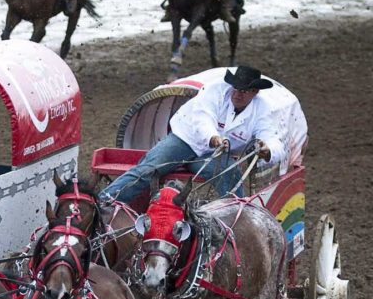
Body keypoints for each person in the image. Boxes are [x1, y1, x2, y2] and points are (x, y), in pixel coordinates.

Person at [99, 65, 285, 205]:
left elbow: (273, 139)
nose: (237, 94)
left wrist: (267, 150)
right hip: (185, 139)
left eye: (244, 91)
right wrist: (214, 138)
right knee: (149, 169)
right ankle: (104, 201)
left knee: (230, 174)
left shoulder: (263, 110)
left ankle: (238, 216)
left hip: (213, 155)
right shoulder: (214, 91)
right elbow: (203, 118)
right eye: (236, 88)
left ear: (255, 92)